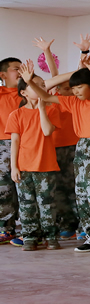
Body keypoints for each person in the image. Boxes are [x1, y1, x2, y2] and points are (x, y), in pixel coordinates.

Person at [23, 46, 90, 254]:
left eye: (79, 87)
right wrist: (30, 82)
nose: (75, 91)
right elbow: (45, 96)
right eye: (73, 88)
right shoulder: (73, 102)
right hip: (82, 147)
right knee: (82, 194)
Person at [7, 69, 63, 250]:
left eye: (43, 85)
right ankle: (30, 237)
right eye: (36, 85)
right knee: (26, 205)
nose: (42, 88)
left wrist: (41, 108)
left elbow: (47, 131)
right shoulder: (16, 115)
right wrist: (14, 167)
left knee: (47, 204)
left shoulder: (51, 110)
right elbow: (15, 142)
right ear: (23, 92)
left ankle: (51, 237)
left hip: (46, 166)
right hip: (24, 167)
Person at [0, 57, 22, 244]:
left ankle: (33, 229)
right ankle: (6, 228)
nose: (21, 72)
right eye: (16, 69)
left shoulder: (29, 92)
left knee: (26, 187)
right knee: (4, 188)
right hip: (3, 145)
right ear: (3, 75)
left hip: (27, 144)